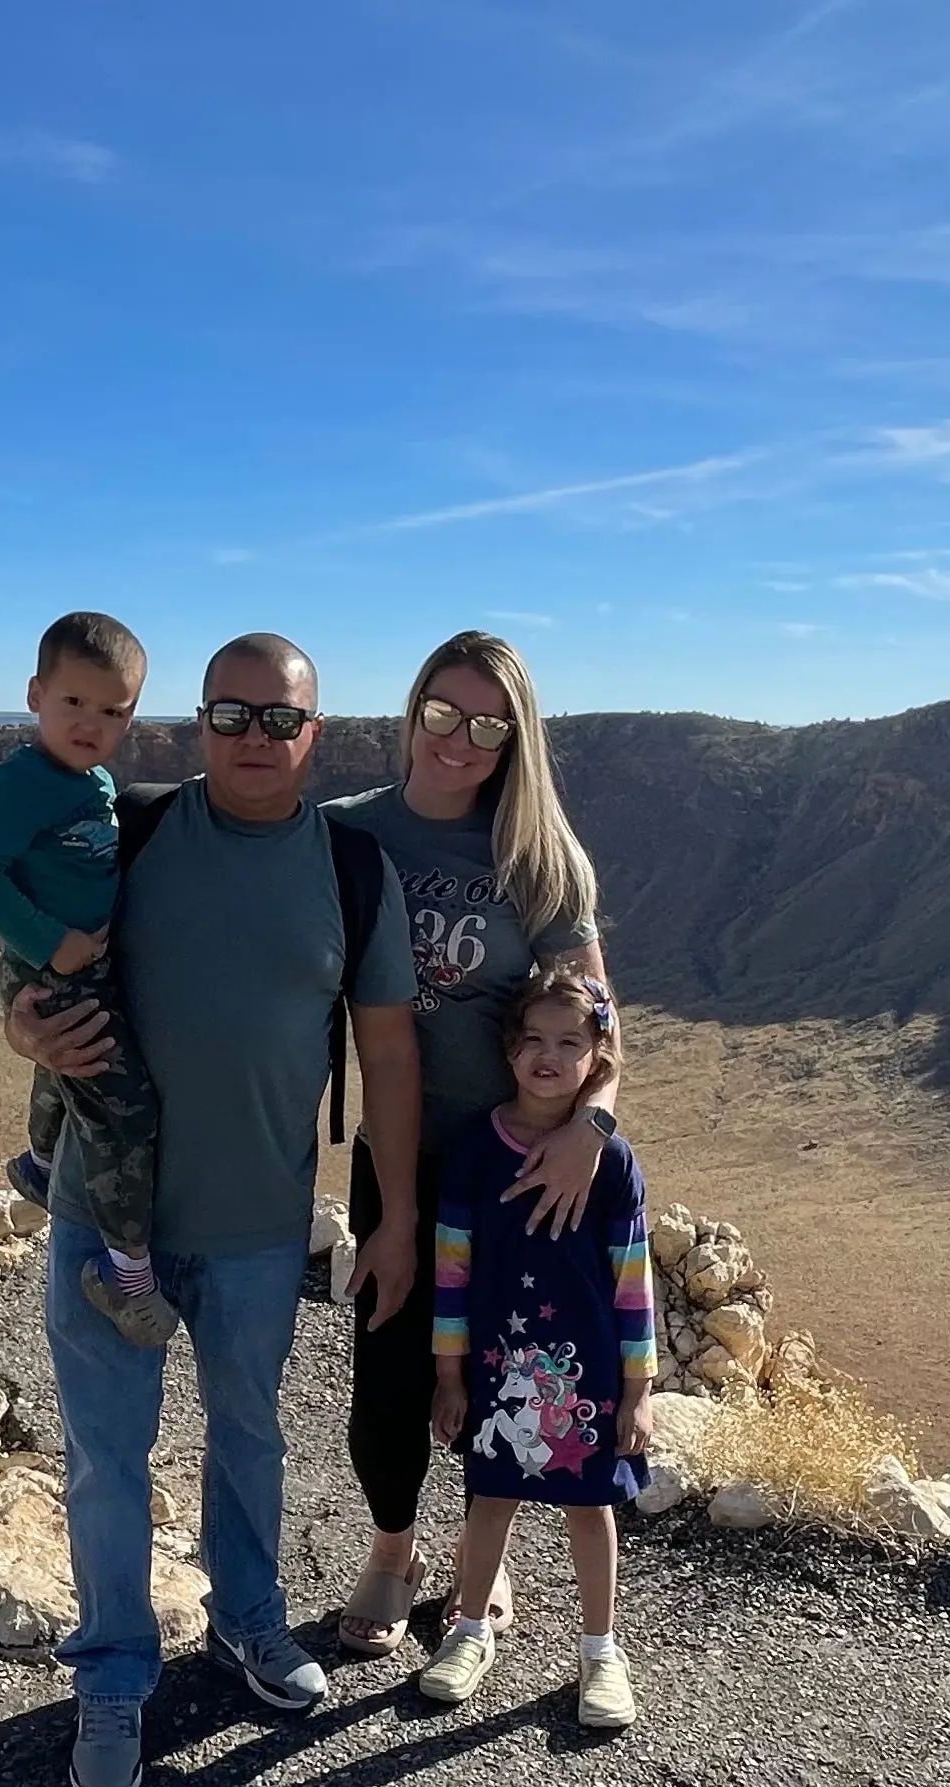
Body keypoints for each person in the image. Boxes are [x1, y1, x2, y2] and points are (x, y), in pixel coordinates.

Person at [6, 631, 423, 1787]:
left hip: (255, 1228)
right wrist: (23, 1032)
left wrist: (394, 1224)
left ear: (313, 734)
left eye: (276, 720)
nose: (253, 739)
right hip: (106, 1215)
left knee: (250, 1438)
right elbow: (31, 973)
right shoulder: (125, 832)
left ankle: (246, 1623)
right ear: (196, 725)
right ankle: (112, 1674)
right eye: (228, 716)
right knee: (105, 1461)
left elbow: (389, 1059)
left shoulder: (351, 867)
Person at [321, 631, 617, 1656]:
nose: (459, 739)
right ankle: (392, 1550)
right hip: (393, 1156)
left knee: (502, 1372)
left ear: (512, 739)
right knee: (389, 1365)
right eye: (441, 713)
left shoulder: (537, 859)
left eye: (487, 724)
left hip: (513, 1170)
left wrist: (590, 1125)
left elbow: (600, 1026)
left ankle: (477, 1568)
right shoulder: (346, 834)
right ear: (410, 712)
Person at [417, 964, 654, 1728]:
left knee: (592, 1510)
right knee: (492, 1499)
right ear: (508, 1049)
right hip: (498, 1371)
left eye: (569, 1042)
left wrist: (640, 1389)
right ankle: (469, 1629)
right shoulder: (474, 1153)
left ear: (598, 1058)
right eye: (533, 1040)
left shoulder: (611, 1163)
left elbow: (632, 1282)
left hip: (590, 1380)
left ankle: (600, 1651)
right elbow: (450, 1273)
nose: (548, 1057)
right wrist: (448, 1376)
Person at [0, 610, 175, 1349]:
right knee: (123, 1110)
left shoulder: (95, 781)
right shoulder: (22, 782)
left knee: (64, 1072)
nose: (91, 723)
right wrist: (53, 946)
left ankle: (41, 1165)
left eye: (113, 710)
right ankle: (128, 1280)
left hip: (84, 963)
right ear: (35, 695)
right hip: (55, 966)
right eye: (74, 702)